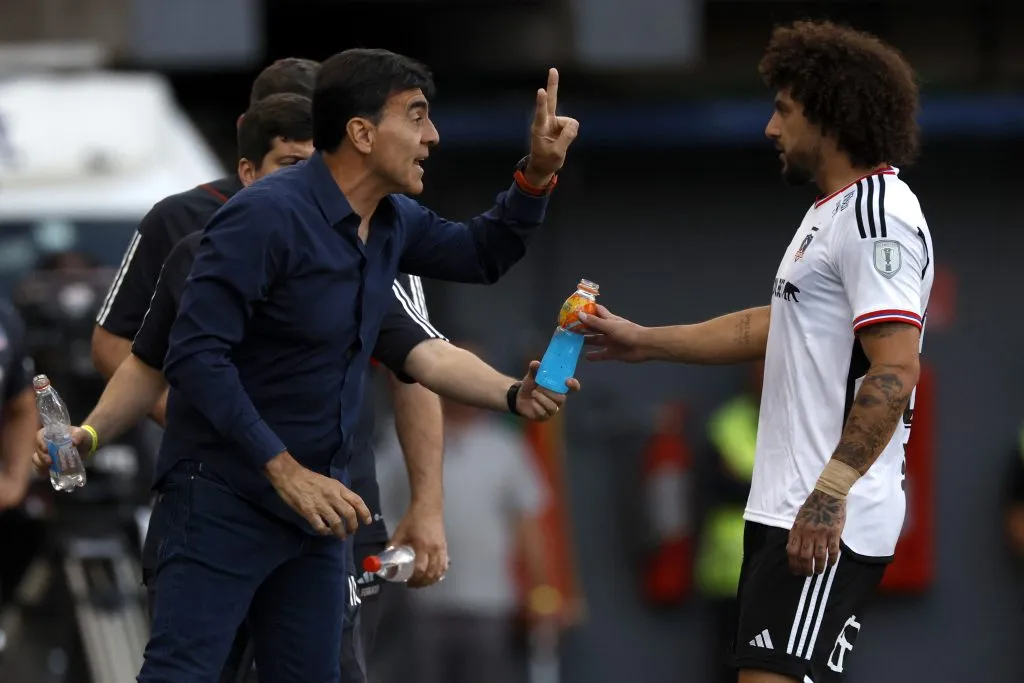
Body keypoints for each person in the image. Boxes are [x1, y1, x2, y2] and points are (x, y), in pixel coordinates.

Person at [137, 48, 577, 683]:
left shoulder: (391, 220)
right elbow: (195, 356)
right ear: (362, 133)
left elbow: (479, 258)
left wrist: (536, 175)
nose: (432, 136)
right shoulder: (264, 215)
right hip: (221, 502)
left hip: (320, 513)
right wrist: (284, 469)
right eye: (417, 116)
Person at [580, 21, 929, 683]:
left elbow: (895, 366)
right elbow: (771, 326)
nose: (771, 128)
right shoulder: (830, 213)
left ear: (829, 114)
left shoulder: (876, 216)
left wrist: (829, 494)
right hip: (787, 511)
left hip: (826, 517)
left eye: (784, 109)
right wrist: (644, 341)